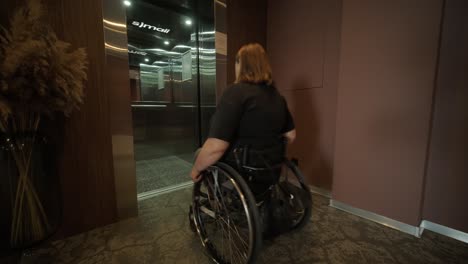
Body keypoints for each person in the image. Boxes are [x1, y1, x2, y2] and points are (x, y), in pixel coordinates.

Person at [190, 43, 296, 183]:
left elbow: (216, 148)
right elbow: (291, 135)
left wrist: (196, 168)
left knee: (200, 155)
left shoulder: (235, 93)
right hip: (271, 170)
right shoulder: (277, 97)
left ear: (240, 64)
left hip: (243, 172)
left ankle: (216, 199)